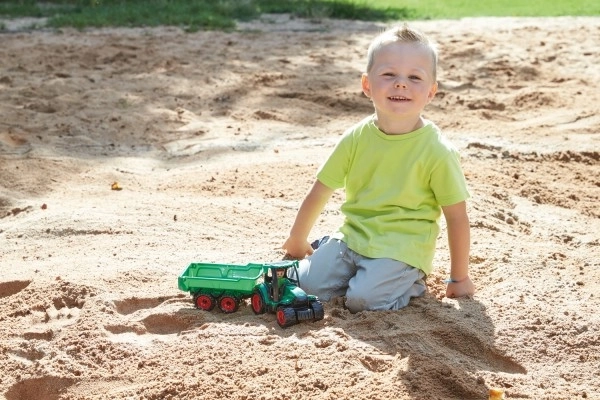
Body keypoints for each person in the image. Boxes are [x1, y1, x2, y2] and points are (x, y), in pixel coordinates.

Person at [282, 24, 475, 313]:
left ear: (431, 91)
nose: (401, 84)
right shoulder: (357, 137)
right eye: (388, 75)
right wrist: (297, 239)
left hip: (402, 247)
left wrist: (459, 278)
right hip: (354, 235)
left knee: (364, 301)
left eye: (414, 77)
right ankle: (331, 251)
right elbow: (320, 191)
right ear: (367, 85)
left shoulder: (437, 151)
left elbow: (457, 217)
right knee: (307, 286)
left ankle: (410, 280)